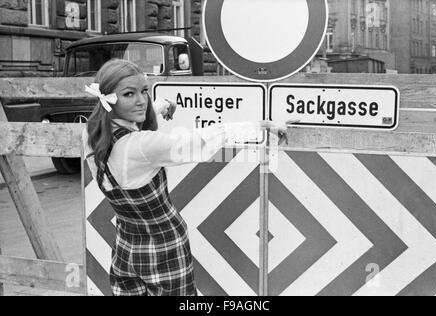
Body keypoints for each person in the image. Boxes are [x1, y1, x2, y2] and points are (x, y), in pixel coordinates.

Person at [82, 58, 286, 296]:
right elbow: (198, 140)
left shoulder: (91, 132)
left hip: (126, 250)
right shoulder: (141, 146)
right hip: (165, 249)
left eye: (144, 92)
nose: (141, 100)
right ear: (109, 99)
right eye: (129, 94)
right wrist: (258, 126)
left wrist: (159, 106)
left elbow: (130, 122)